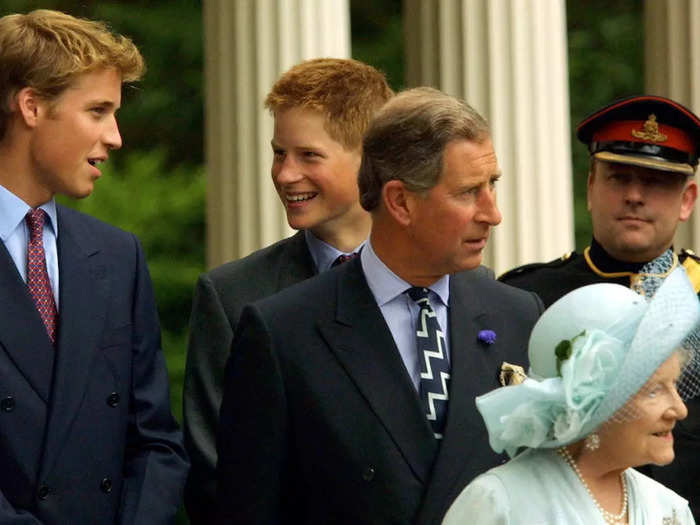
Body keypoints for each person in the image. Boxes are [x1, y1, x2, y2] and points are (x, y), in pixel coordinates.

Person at [215, 87, 544, 524]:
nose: (492, 213)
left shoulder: (519, 315)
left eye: (492, 186)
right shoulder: (283, 332)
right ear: (400, 202)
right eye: (468, 193)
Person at [183, 58, 394, 522]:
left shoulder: (450, 286)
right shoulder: (233, 297)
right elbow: (214, 474)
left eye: (308, 156)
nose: (284, 174)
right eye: (279, 153)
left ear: (370, 159)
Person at [0, 9, 188, 523]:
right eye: (98, 111)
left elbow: (155, 441)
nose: (115, 137)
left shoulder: (118, 255)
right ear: (32, 106)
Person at [499, 95, 700, 518]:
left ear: (688, 199)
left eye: (656, 181)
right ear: (591, 186)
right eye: (618, 177)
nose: (634, 195)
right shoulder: (525, 299)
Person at [444, 267, 700, 524]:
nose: (680, 409)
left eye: (675, 384)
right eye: (654, 390)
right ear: (592, 400)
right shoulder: (501, 504)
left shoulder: (669, 509)